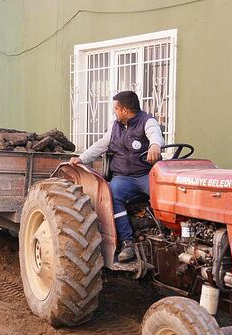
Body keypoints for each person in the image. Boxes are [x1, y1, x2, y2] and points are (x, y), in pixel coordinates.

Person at [69, 90, 164, 262]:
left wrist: (155, 146)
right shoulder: (115, 127)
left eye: (116, 109)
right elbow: (100, 145)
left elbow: (155, 135)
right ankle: (127, 242)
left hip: (145, 175)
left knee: (163, 195)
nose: (115, 112)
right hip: (123, 178)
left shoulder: (147, 122)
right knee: (113, 194)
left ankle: (165, 235)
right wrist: (82, 158)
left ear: (125, 110)